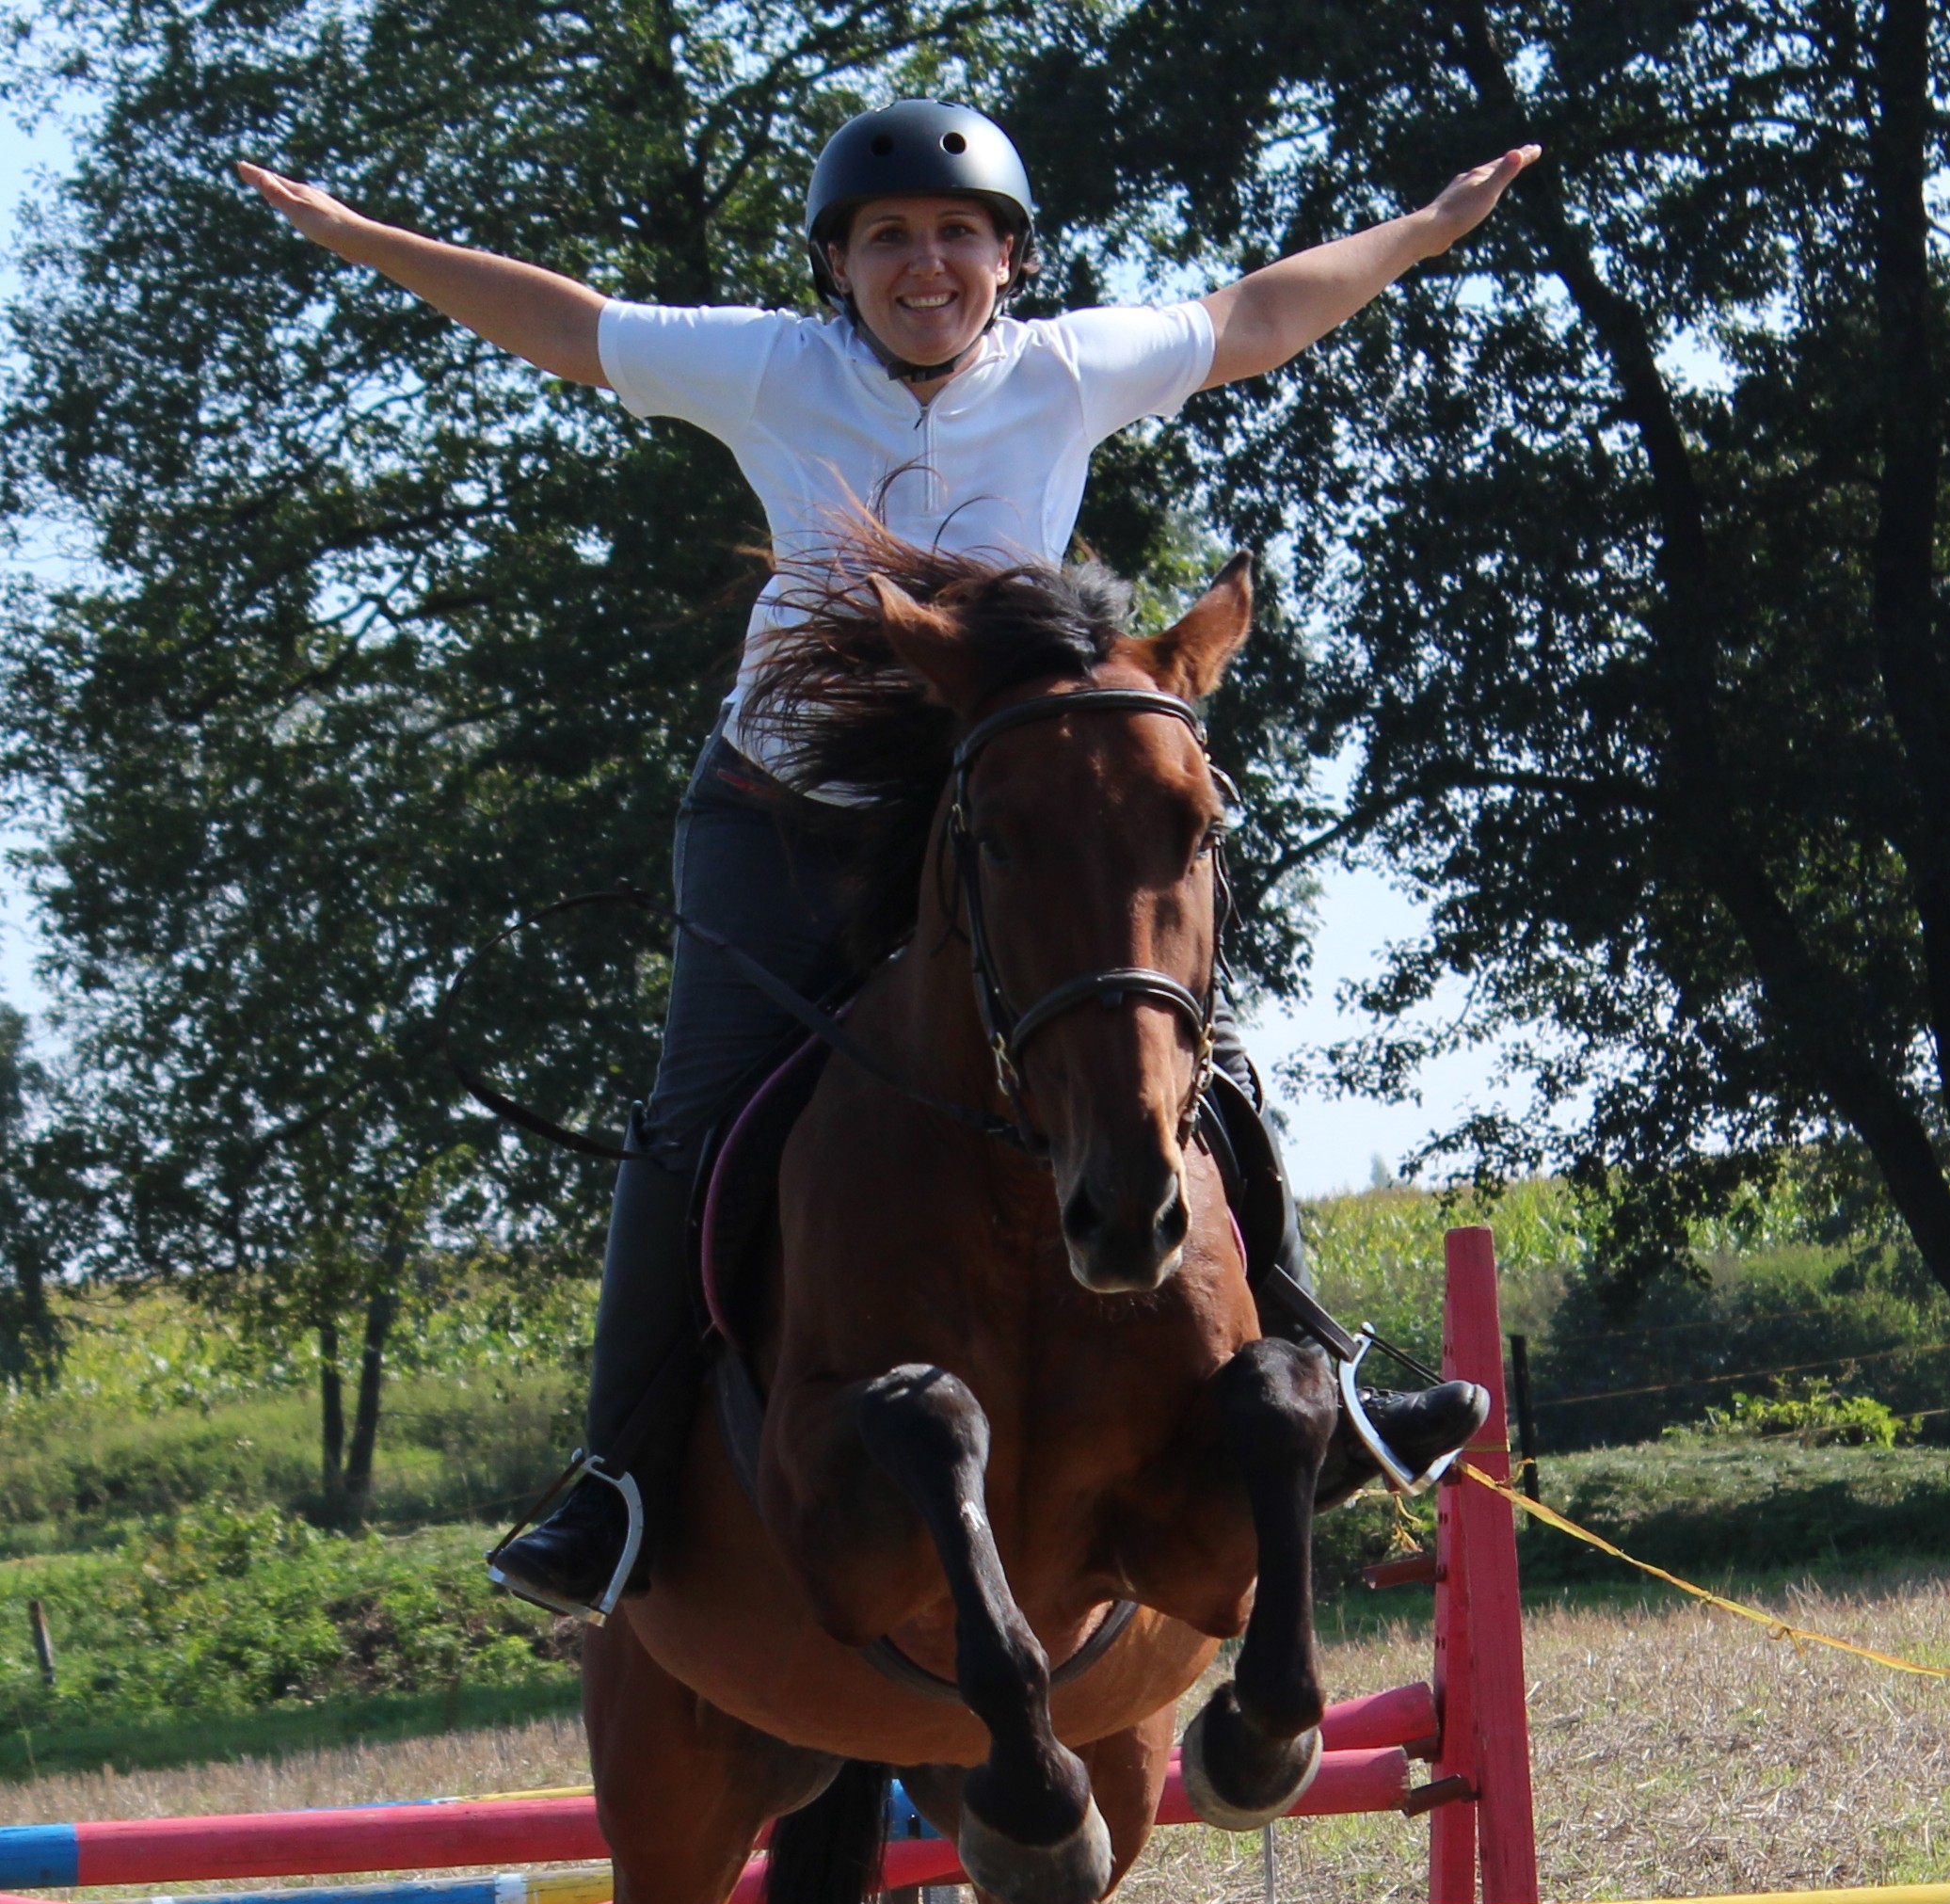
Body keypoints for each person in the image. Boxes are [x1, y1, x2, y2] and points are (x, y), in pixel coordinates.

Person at [239, 105, 1538, 1622]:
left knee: (1198, 1061)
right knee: (692, 1118)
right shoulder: (771, 370)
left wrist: (1423, 232)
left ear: (1007, 259)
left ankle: (1320, 1390)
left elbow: (1255, 315)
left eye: (954, 235)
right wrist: (359, 237)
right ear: (837, 266)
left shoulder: (1062, 370)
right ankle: (618, 1482)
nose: (924, 264)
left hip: (991, 811)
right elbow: (568, 324)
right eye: (887, 239)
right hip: (780, 813)